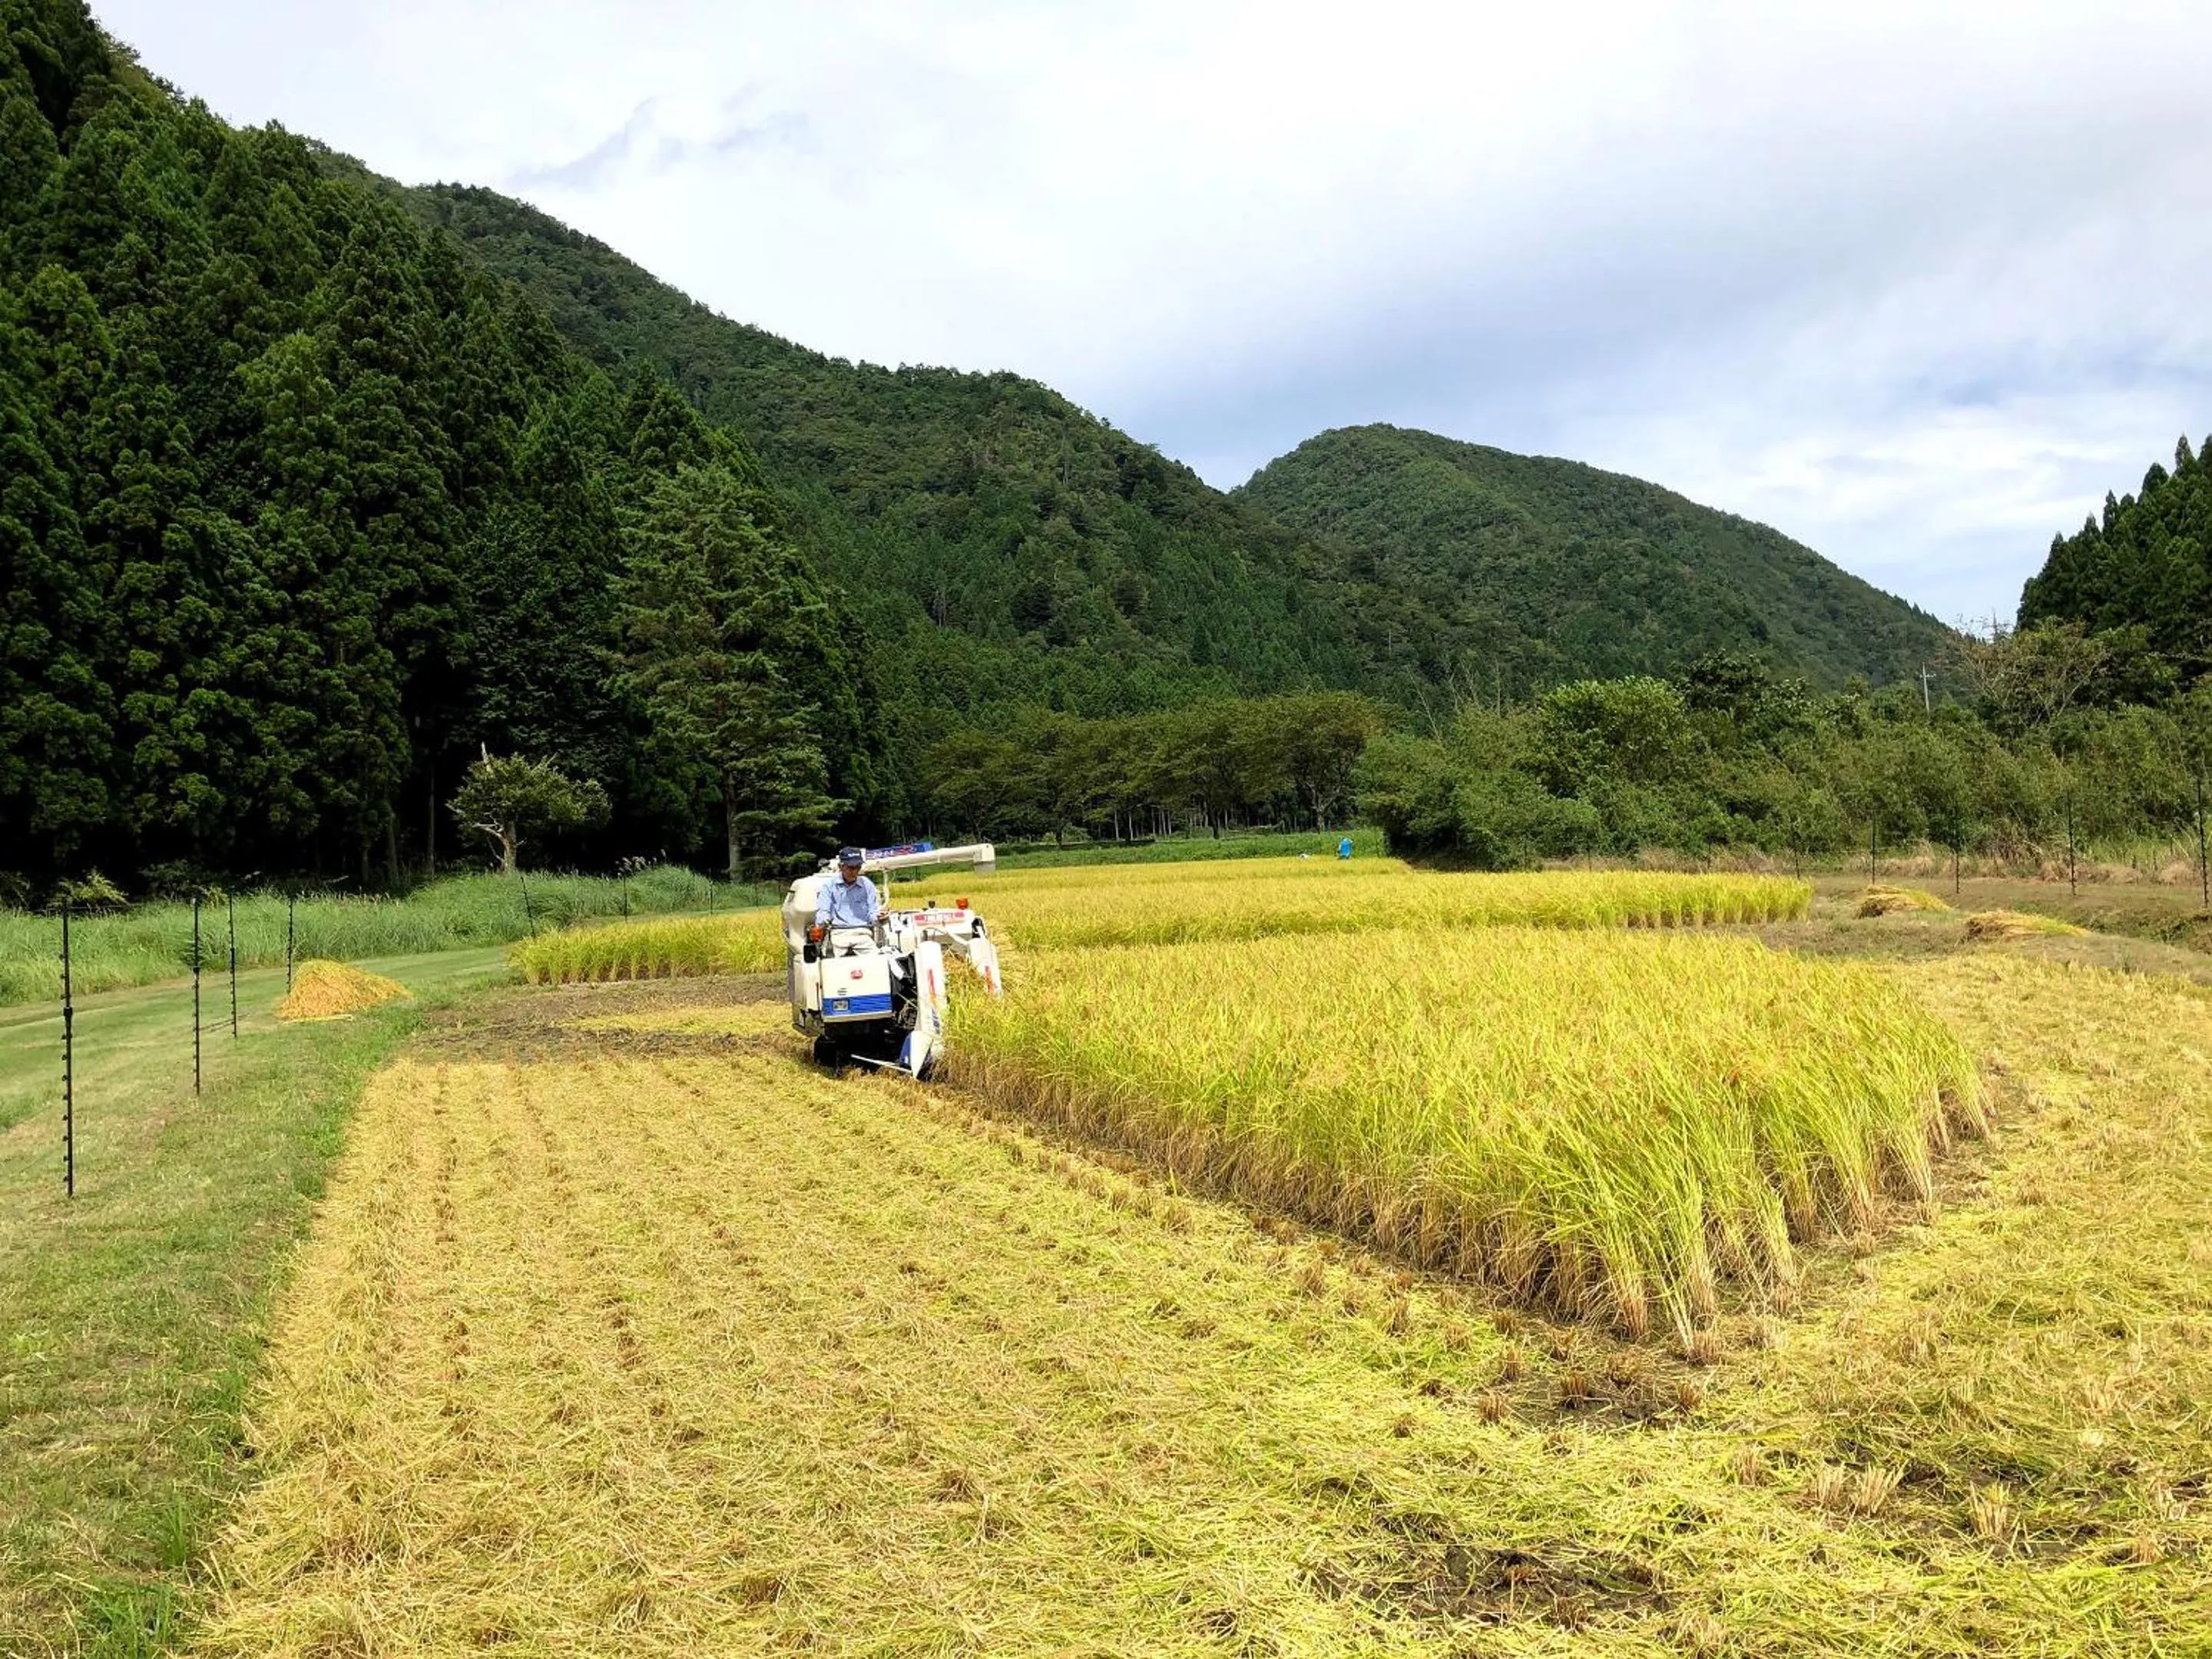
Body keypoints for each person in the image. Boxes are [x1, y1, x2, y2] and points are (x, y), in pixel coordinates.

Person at [816, 846, 882, 932]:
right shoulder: (829, 886)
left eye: (858, 867)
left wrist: (879, 917)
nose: (855, 871)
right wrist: (824, 920)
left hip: (863, 931)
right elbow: (823, 911)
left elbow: (873, 911)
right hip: (837, 932)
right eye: (851, 867)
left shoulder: (867, 884)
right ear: (841, 867)